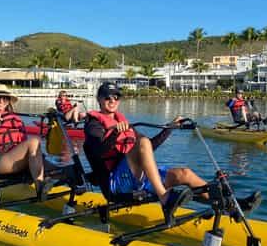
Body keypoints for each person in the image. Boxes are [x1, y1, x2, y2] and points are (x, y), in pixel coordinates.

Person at [83, 82, 208, 224]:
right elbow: (98, 151)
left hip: (136, 176)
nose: (112, 100)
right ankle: (165, 199)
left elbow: (149, 146)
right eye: (107, 97)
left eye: (116, 97)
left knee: (185, 174)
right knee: (142, 141)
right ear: (99, 99)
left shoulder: (122, 122)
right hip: (116, 183)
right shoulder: (93, 124)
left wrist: (169, 128)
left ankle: (221, 206)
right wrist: (115, 133)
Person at [0, 85, 59, 198]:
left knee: (59, 171)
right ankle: (40, 187)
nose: (1, 101)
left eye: (5, 98)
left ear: (8, 101)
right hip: (3, 162)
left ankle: (73, 188)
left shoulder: (14, 116)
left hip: (20, 159)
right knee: (34, 140)